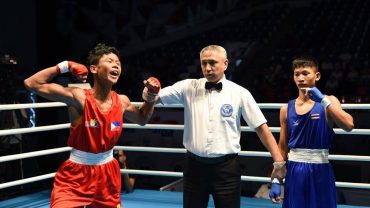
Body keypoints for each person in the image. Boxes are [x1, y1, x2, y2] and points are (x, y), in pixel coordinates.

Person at [24, 43, 161, 208]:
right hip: (75, 176)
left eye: (118, 62)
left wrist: (151, 98)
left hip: (108, 175)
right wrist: (64, 66)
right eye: (110, 61)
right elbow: (32, 83)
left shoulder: (122, 101)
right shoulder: (79, 97)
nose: (116, 64)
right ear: (94, 69)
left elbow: (142, 119)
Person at [157, 45, 286, 208]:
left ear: (225, 64)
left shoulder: (240, 93)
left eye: (212, 63)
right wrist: (150, 90)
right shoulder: (188, 87)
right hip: (194, 167)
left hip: (226, 169)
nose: (207, 68)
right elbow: (155, 96)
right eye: (204, 63)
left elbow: (261, 128)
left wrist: (279, 162)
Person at [269, 55, 354, 207]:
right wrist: (276, 179)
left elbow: (349, 125)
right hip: (295, 169)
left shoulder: (329, 101)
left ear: (317, 76)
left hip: (320, 168)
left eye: (305, 73)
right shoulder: (286, 109)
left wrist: (323, 100)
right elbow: (282, 148)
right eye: (297, 74)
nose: (300, 78)